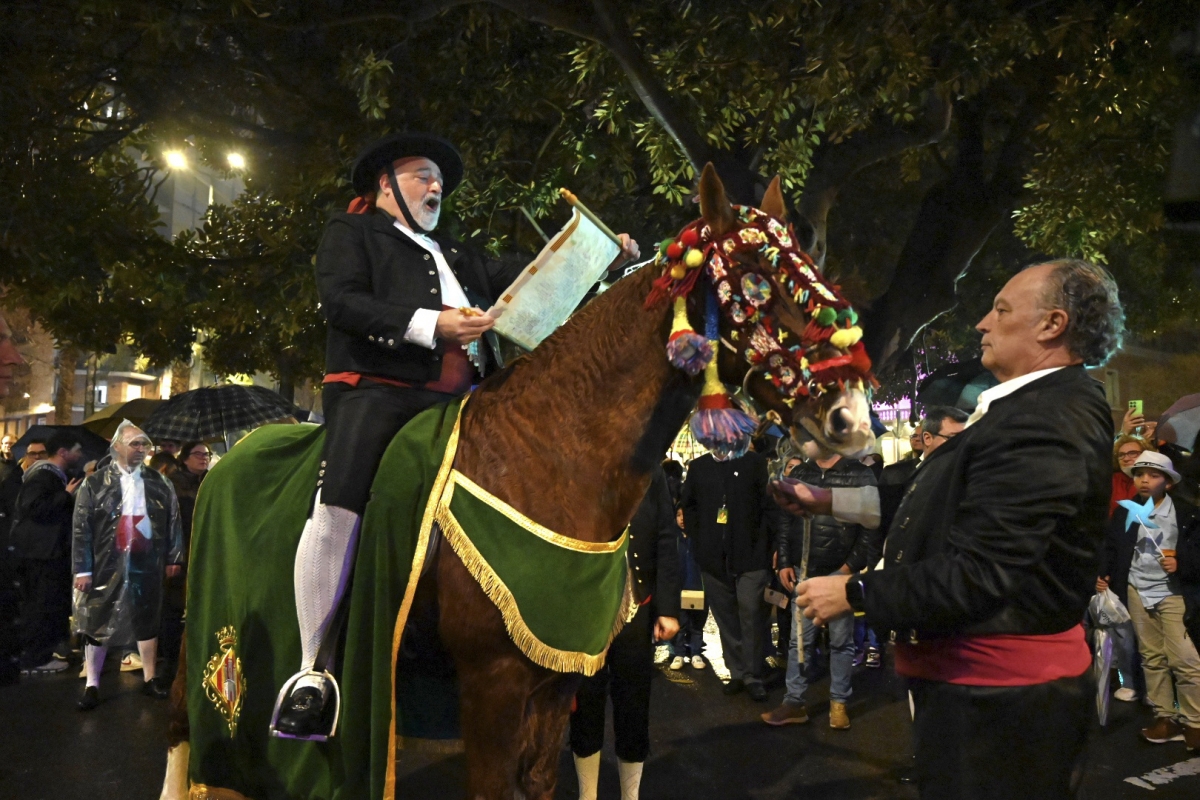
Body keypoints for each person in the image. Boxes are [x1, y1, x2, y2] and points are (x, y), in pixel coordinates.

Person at [274, 132, 640, 738]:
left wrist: (600, 259)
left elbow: (530, 280)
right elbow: (342, 303)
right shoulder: (351, 233)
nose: (435, 185)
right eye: (421, 175)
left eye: (438, 178)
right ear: (384, 184)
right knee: (340, 497)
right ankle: (313, 669)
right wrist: (432, 324)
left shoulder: (457, 253)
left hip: (470, 398)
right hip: (379, 391)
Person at [791, 259, 1121, 798]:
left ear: (1052, 324)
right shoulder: (1028, 408)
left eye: (1002, 309)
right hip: (979, 689)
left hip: (998, 701)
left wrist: (853, 593)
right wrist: (830, 501)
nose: (982, 324)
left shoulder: (1044, 418)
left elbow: (981, 574)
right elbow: (933, 498)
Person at [570, 466, 679, 800]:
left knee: (633, 701)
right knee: (585, 701)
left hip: (638, 604)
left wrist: (668, 608)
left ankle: (629, 797)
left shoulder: (651, 471)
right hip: (585, 607)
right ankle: (587, 795)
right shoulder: (576, 464)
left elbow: (665, 537)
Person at [764, 443, 880, 729]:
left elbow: (870, 528)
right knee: (798, 641)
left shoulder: (860, 474)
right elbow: (786, 521)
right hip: (805, 571)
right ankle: (794, 701)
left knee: (842, 642)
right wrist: (785, 562)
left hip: (841, 575)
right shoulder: (801, 472)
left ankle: (839, 702)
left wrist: (847, 569)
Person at [72, 421, 184, 710]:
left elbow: (172, 521)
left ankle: (149, 678)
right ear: (117, 446)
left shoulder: (159, 482)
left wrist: (173, 557)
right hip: (105, 561)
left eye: (144, 444)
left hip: (145, 558)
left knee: (147, 614)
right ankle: (92, 684)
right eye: (134, 443)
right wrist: (82, 569)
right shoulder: (95, 483)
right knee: (98, 618)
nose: (141, 449)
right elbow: (81, 528)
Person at [1098, 451, 1200, 750]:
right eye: (1140, 473)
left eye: (1153, 475)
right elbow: (1113, 545)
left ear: (1168, 482)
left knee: (1184, 658)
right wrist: (1105, 572)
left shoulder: (1187, 514)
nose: (1144, 479)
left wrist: (1182, 563)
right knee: (1151, 657)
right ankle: (1164, 716)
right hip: (1136, 589)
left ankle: (1195, 720)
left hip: (1172, 593)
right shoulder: (1125, 511)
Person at [680, 448, 779, 702]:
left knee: (751, 613)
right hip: (713, 559)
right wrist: (699, 540)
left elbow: (769, 507)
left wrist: (770, 546)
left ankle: (753, 675)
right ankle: (737, 672)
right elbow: (688, 504)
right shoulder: (699, 466)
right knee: (726, 618)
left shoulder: (754, 463)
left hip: (752, 556)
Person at [9, 429, 85, 674]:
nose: (80, 454)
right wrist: (66, 495)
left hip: (46, 551)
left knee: (47, 603)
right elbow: (33, 507)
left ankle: (44, 651)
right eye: (76, 450)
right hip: (40, 553)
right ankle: (35, 659)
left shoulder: (55, 475)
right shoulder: (44, 475)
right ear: (63, 452)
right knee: (40, 604)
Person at [161, 440, 210, 678]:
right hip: (182, 551)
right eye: (198, 454)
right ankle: (170, 660)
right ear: (185, 458)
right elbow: (169, 523)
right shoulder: (174, 484)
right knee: (175, 605)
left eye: (207, 454)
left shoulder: (211, 481)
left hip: (205, 550)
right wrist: (173, 557)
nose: (203, 457)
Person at [668, 506, 706, 671]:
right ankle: (679, 653)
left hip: (698, 588)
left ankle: (696, 652)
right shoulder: (672, 538)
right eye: (678, 515)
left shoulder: (699, 538)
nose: (682, 519)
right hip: (679, 589)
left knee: (697, 623)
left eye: (685, 514)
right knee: (681, 622)